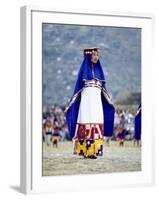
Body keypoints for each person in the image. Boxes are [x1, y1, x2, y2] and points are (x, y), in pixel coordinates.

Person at [65, 47, 115, 159]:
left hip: (97, 103)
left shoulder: (100, 73)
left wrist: (110, 102)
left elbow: (104, 90)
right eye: (94, 55)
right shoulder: (83, 72)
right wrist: (70, 105)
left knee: (96, 122)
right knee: (86, 122)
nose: (96, 57)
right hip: (86, 102)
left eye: (97, 55)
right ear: (89, 56)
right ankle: (85, 151)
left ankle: (94, 151)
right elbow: (77, 90)